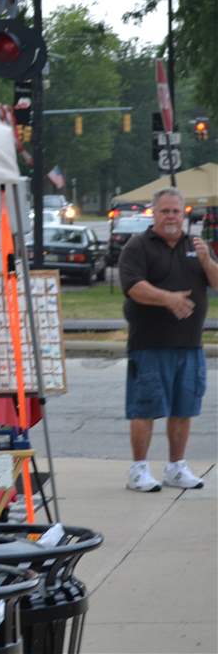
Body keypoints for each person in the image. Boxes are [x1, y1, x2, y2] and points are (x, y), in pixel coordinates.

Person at [119, 188, 218, 492]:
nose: (171, 217)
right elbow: (133, 287)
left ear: (183, 213)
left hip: (189, 344)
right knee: (144, 408)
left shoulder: (196, 246)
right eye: (165, 211)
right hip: (149, 344)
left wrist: (207, 261)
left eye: (176, 211)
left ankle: (176, 468)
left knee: (183, 409)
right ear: (154, 213)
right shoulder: (138, 246)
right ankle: (138, 471)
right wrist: (168, 299)